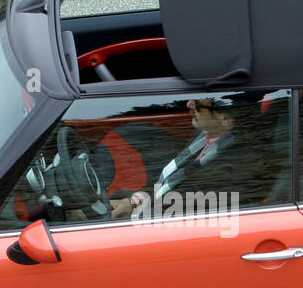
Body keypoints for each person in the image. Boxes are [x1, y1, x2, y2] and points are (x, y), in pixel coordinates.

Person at [108, 93, 269, 219]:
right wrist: (131, 202)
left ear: (225, 119)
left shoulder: (239, 161)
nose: (189, 104)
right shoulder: (203, 137)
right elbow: (167, 182)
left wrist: (134, 211)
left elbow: (181, 205)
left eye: (198, 104)